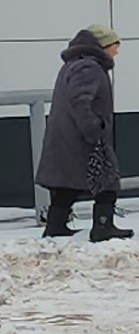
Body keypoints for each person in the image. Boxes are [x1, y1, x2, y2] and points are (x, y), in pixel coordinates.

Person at [37, 25, 133, 241]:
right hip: (83, 137)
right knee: (106, 181)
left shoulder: (75, 64)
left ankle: (56, 226)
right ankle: (103, 226)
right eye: (115, 46)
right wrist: (93, 128)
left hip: (68, 137)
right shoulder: (89, 68)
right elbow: (80, 101)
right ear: (103, 46)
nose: (117, 52)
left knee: (67, 183)